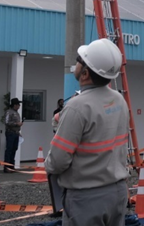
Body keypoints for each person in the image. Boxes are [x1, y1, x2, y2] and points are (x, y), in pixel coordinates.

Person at [46, 38, 129, 226]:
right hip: (117, 192)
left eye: (79, 60)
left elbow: (57, 160)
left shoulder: (77, 106)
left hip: (87, 197)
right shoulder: (119, 100)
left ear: (84, 74)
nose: (75, 63)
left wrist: (48, 167)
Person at [4, 97, 23, 173]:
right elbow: (6, 122)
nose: (19, 106)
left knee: (14, 149)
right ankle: (7, 166)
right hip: (10, 133)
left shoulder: (17, 113)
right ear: (15, 105)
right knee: (9, 149)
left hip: (16, 133)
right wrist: (16, 124)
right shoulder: (9, 112)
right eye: (18, 104)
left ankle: (12, 166)